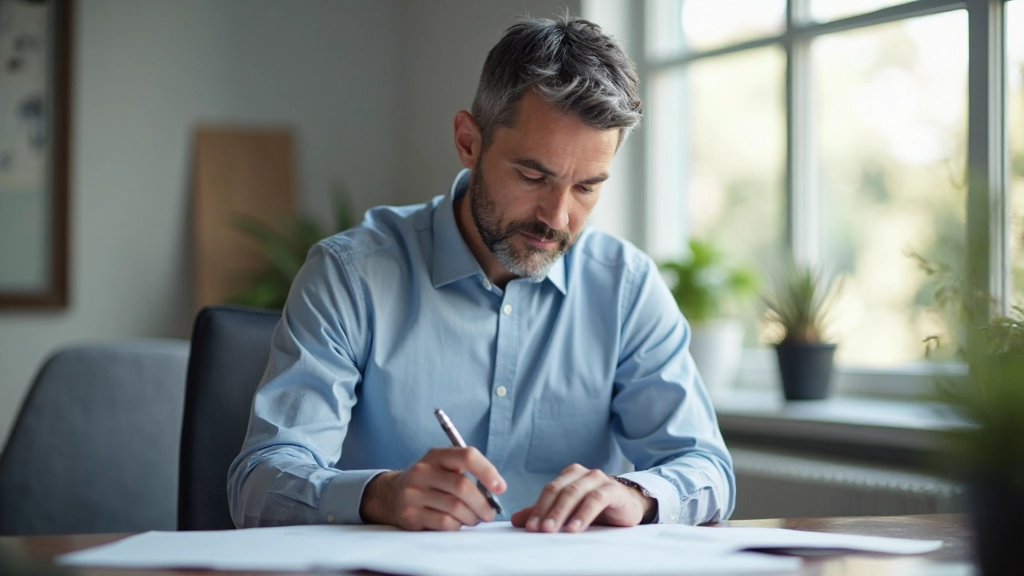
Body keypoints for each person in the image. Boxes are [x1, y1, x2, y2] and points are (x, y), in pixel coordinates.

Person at [228, 13, 734, 533]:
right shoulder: (350, 276)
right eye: (533, 175)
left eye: (586, 187)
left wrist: (639, 494)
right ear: (469, 141)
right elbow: (259, 483)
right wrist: (378, 495)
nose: (557, 218)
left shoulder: (626, 288)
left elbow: (708, 469)